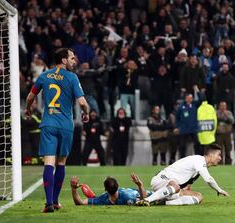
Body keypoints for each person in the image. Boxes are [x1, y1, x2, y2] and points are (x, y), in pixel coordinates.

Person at [25, 48, 90, 213]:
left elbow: (30, 97)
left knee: (49, 163)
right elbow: (82, 102)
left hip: (48, 124)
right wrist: (86, 113)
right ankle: (55, 200)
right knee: (61, 163)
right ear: (63, 60)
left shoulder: (44, 75)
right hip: (65, 126)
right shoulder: (72, 77)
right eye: (72, 58)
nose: (74, 61)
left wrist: (28, 109)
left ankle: (48, 204)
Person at [136, 144, 229, 207]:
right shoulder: (199, 161)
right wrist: (219, 190)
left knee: (198, 197)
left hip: (171, 188)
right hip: (161, 180)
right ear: (211, 154)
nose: (220, 158)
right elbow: (208, 179)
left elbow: (186, 182)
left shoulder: (199, 166)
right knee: (175, 185)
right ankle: (147, 200)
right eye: (219, 155)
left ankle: (165, 202)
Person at [70, 173, 203, 206]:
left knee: (184, 190)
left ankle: (184, 186)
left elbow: (80, 202)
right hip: (160, 196)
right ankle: (184, 188)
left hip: (159, 195)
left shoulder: (104, 199)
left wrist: (73, 189)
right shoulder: (124, 196)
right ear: (118, 186)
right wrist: (139, 185)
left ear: (105, 189)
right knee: (198, 196)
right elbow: (145, 200)